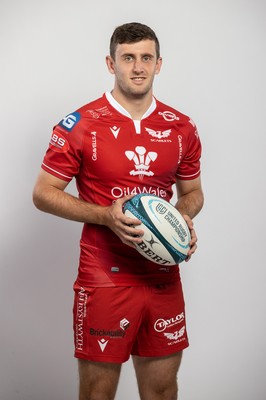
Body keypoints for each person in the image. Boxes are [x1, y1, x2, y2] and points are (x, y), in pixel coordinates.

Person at [33, 22, 204, 400]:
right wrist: (105, 215)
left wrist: (182, 218)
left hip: (163, 279)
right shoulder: (79, 124)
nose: (138, 67)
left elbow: (192, 193)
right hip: (104, 278)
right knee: (98, 392)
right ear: (111, 64)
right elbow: (43, 193)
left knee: (161, 390)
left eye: (146, 58)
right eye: (128, 58)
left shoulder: (182, 128)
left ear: (159, 64)